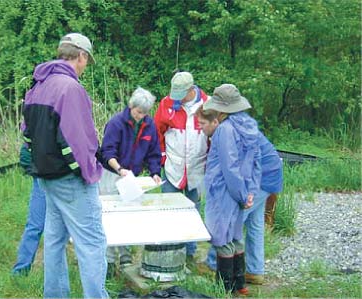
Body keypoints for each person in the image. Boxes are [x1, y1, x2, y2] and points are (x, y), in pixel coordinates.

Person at [22, 33, 108, 298]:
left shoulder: (38, 85)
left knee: (55, 241)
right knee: (92, 243)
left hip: (46, 178)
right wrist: (91, 173)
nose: (84, 67)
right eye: (86, 61)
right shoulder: (71, 89)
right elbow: (78, 140)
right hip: (70, 181)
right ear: (80, 55)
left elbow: (26, 133)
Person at [197, 92, 283, 286]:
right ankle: (255, 270)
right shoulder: (246, 121)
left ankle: (216, 267)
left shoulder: (227, 129)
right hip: (267, 173)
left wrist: (244, 195)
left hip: (257, 179)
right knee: (254, 224)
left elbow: (231, 167)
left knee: (229, 224)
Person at [99, 87, 162, 277]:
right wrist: (119, 169)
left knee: (127, 215)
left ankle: (125, 254)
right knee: (110, 217)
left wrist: (155, 172)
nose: (140, 116)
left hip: (132, 177)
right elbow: (107, 152)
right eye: (138, 112)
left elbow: (153, 153)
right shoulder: (116, 123)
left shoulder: (149, 125)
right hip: (112, 173)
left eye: (144, 113)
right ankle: (108, 260)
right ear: (131, 106)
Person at [154, 71, 209, 260]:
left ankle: (189, 253)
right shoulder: (166, 104)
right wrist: (161, 157)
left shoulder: (207, 105)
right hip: (172, 167)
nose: (176, 98)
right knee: (169, 209)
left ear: (191, 90)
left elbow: (212, 137)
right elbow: (157, 133)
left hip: (197, 168)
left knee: (192, 210)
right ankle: (169, 250)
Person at [11, 144, 46, 276]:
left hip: (66, 183)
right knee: (34, 226)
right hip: (42, 182)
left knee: (59, 230)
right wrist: (37, 172)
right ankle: (20, 271)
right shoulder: (35, 124)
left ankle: (54, 272)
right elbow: (25, 155)